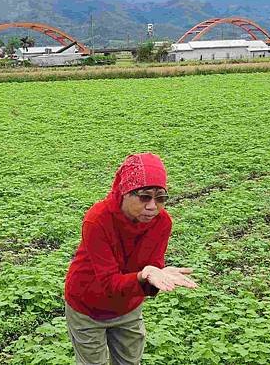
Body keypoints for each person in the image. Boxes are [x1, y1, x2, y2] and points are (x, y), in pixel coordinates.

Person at [64, 152, 198, 365]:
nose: (153, 206)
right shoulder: (97, 220)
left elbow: (152, 265)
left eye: (160, 198)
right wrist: (144, 275)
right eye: (144, 197)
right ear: (125, 192)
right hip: (87, 307)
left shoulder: (162, 222)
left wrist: (156, 273)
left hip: (128, 306)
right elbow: (108, 282)